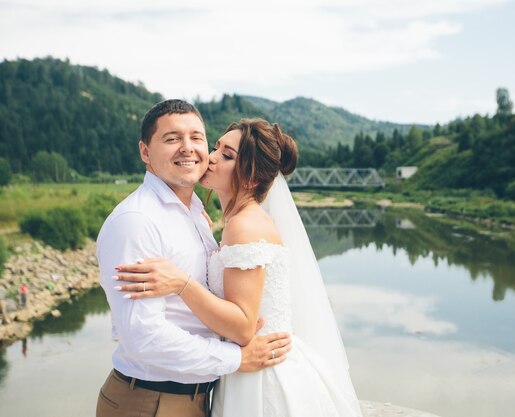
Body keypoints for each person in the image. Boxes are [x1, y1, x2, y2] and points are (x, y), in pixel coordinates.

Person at [115, 119, 362, 417]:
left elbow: (244, 327)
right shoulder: (233, 222)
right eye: (217, 146)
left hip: (260, 377)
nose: (212, 156)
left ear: (250, 179)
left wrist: (181, 283)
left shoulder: (244, 226)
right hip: (245, 368)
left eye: (228, 155)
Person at [96, 101, 291, 417]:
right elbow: (142, 338)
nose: (189, 149)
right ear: (145, 152)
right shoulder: (137, 221)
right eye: (172, 138)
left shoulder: (197, 214)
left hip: (203, 397)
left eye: (197, 138)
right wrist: (235, 358)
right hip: (150, 401)